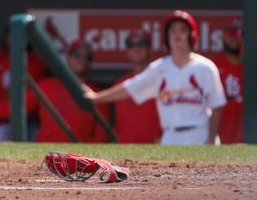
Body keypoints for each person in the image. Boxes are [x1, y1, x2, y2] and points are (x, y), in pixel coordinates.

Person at [86, 11, 226, 144]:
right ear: (166, 37)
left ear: (192, 35)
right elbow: (129, 88)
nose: (177, 34)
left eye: (182, 30)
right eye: (172, 30)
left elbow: (217, 106)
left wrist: (211, 139)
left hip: (200, 134)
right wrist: (96, 97)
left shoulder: (205, 67)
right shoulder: (159, 68)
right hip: (171, 136)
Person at [35, 40, 110, 142]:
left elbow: (101, 137)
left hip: (76, 156)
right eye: (77, 55)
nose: (82, 59)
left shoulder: (97, 94)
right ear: (68, 58)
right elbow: (15, 109)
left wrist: (83, 156)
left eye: (87, 56)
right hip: (44, 154)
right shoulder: (46, 85)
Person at [112, 28, 162, 144]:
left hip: (156, 149)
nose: (136, 48)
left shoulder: (162, 81)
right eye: (131, 44)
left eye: (142, 44)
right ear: (127, 50)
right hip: (124, 148)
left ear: (150, 48)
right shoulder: (119, 85)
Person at [212, 21, 243, 144]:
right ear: (223, 36)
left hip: (248, 140)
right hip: (221, 140)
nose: (233, 37)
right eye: (230, 33)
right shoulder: (214, 66)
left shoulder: (251, 66)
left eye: (238, 33)